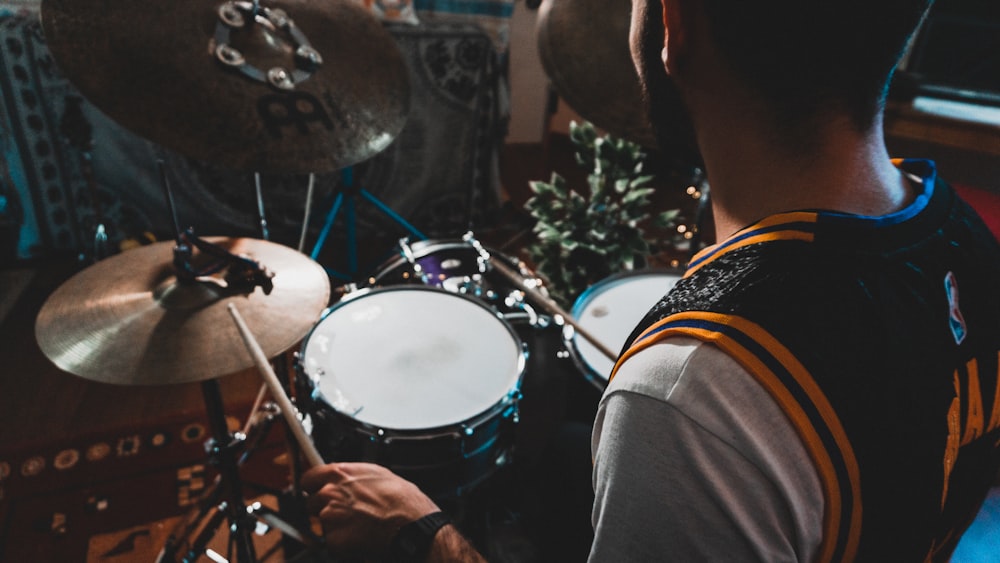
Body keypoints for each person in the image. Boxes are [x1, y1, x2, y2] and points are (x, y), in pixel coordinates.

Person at [302, 0, 1000, 560]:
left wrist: (424, 534)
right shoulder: (967, 241)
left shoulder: (691, 396)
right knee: (565, 457)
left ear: (676, 25)